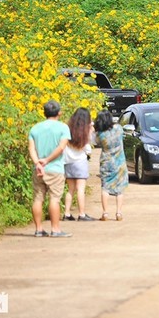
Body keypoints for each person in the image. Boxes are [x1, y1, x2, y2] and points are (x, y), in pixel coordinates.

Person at [28, 100, 72, 237]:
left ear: (44, 113)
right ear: (59, 112)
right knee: (54, 199)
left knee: (38, 198)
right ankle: (55, 229)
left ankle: (39, 229)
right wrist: (46, 161)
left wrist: (38, 164)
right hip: (55, 168)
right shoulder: (63, 128)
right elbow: (61, 147)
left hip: (38, 170)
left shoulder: (35, 128)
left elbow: (31, 148)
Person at [94, 110, 129, 221]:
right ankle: (118, 213)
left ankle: (105, 213)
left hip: (106, 162)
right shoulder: (119, 129)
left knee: (105, 187)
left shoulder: (100, 133)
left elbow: (96, 142)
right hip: (120, 162)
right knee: (120, 189)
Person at [63, 107, 96, 222]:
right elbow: (89, 145)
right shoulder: (85, 130)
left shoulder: (68, 128)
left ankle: (66, 214)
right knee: (80, 189)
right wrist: (91, 129)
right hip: (80, 162)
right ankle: (81, 214)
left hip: (68, 162)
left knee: (70, 189)